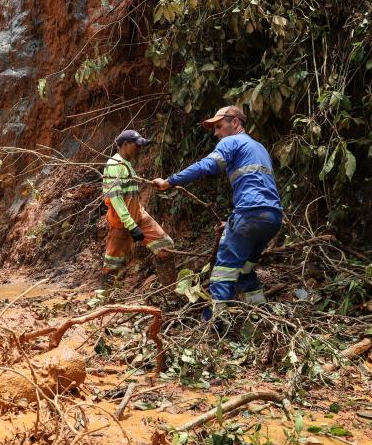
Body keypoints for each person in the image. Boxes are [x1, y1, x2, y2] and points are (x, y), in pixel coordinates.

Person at [152, 105, 282, 314]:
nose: (216, 133)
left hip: (249, 215)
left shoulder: (232, 141)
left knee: (223, 271)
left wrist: (170, 181)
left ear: (235, 123)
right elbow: (257, 188)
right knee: (244, 270)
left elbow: (206, 166)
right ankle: (260, 316)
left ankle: (216, 324)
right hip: (272, 218)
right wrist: (234, 222)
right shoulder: (259, 147)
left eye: (219, 127)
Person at [102, 129, 176, 285]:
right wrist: (131, 225)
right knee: (112, 266)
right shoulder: (114, 165)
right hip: (121, 223)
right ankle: (106, 304)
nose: (139, 149)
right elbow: (116, 199)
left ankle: (169, 291)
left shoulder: (127, 164)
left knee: (166, 248)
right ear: (125, 145)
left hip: (138, 216)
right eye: (137, 145)